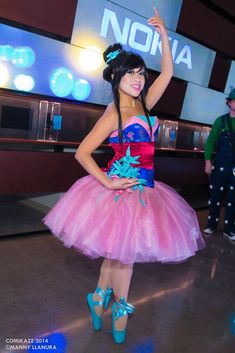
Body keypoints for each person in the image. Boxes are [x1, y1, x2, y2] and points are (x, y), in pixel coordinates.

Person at [43, 8, 204, 344]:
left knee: (115, 256)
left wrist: (163, 36)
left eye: (141, 73)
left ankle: (98, 298)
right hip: (119, 191)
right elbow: (82, 152)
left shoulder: (143, 104)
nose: (138, 79)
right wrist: (107, 181)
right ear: (116, 77)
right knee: (125, 259)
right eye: (131, 73)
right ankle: (120, 306)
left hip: (146, 189)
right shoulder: (114, 111)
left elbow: (169, 72)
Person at [204, 88, 235, 242]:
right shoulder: (220, 121)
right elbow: (210, 142)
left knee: (233, 199)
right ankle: (211, 224)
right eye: (234, 100)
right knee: (214, 196)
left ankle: (229, 229)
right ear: (229, 103)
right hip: (220, 165)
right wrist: (208, 161)